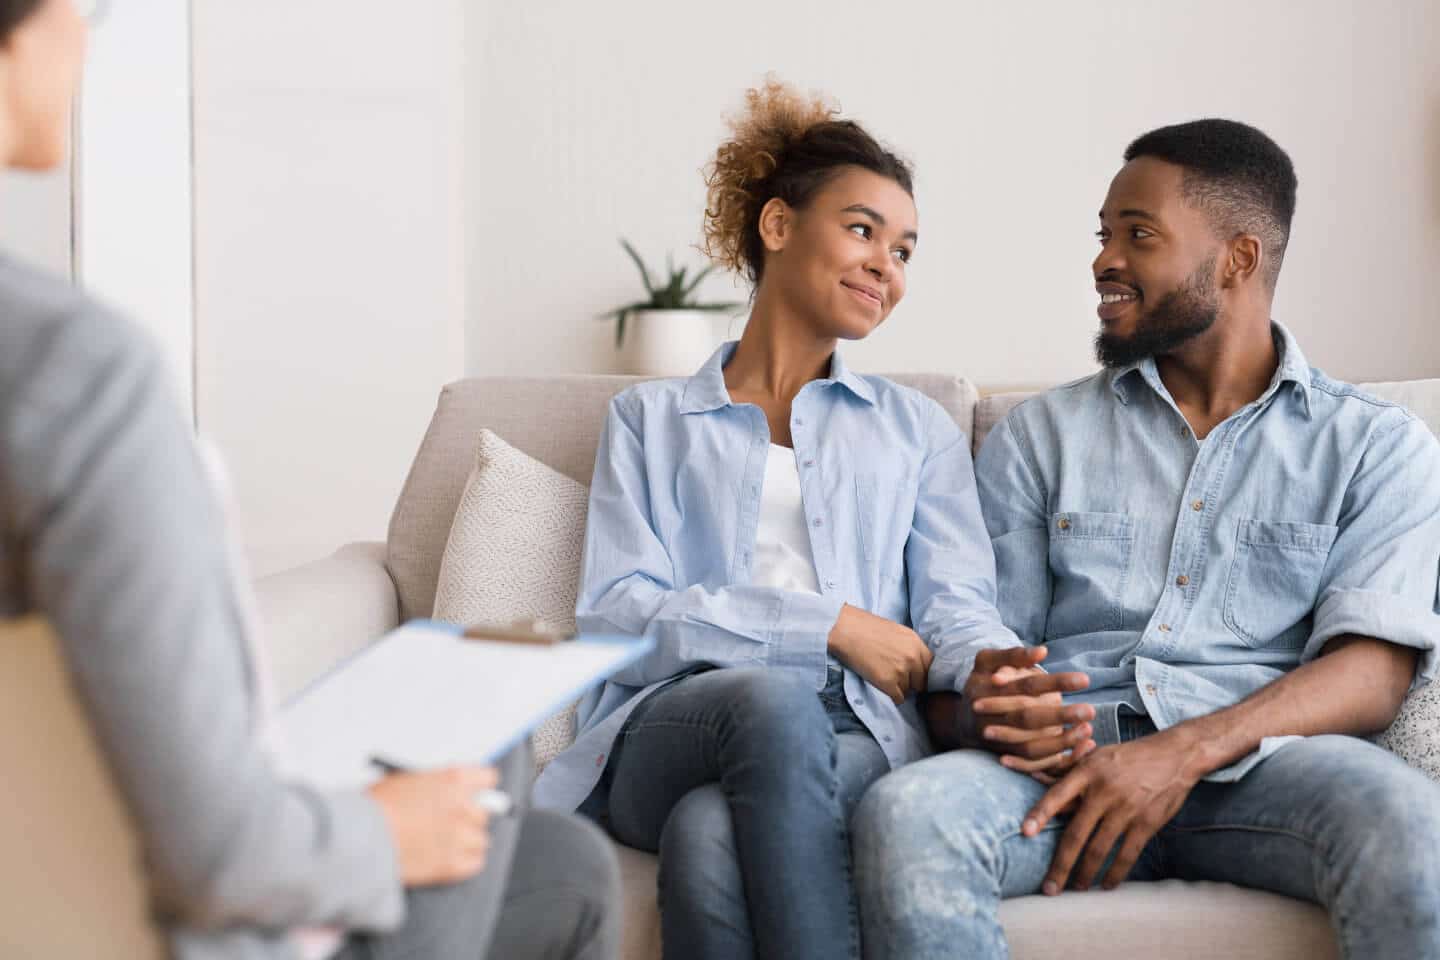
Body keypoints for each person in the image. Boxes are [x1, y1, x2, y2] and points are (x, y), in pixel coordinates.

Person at [0, 1, 619, 957]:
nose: (89, 35)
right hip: (206, 922)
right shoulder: (70, 378)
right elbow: (222, 858)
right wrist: (384, 829)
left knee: (562, 864)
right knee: (477, 749)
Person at [853, 118, 1440, 959]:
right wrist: (984, 703)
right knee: (906, 816)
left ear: (1238, 259)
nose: (1103, 261)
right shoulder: (1038, 437)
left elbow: (1373, 670)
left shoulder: (1378, 446)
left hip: (1262, 768)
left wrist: (1179, 754)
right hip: (1063, 772)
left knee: (1408, 821)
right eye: (1104, 235)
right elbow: (972, 652)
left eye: (1139, 235)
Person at [532, 79, 1092, 960]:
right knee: (765, 704)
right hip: (680, 719)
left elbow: (953, 606)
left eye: (905, 250)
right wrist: (825, 625)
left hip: (856, 729)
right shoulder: (650, 420)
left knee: (709, 836)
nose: (887, 267)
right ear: (779, 226)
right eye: (863, 230)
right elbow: (619, 611)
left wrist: (991, 670)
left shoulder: (917, 431)